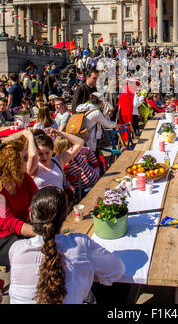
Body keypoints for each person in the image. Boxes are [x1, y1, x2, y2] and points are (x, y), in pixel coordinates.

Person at [8, 186, 125, 304]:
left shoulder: (17, 249)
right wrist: (88, 274)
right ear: (66, 214)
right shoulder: (79, 244)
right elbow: (117, 270)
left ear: (32, 216)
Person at [0, 130, 38, 269]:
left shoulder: (24, 178)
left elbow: (37, 199)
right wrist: (42, 231)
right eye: (24, 158)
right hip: (4, 238)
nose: (28, 160)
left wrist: (32, 211)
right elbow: (9, 223)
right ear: (12, 163)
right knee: (35, 256)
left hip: (26, 228)